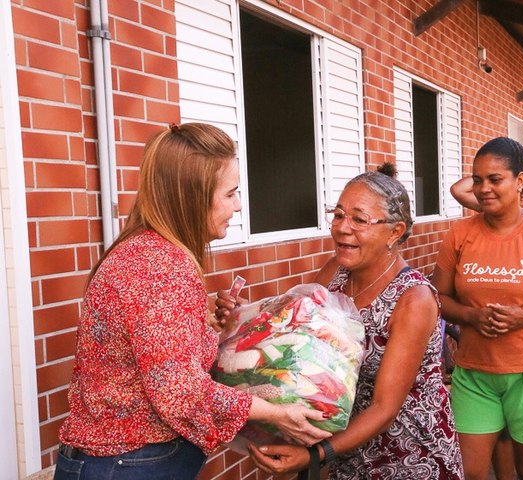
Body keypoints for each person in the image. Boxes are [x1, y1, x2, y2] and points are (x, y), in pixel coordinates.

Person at [54, 123, 330, 480]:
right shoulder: (161, 267)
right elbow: (180, 392)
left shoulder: (148, 251)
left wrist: (220, 329)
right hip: (127, 465)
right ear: (194, 196)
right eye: (230, 194)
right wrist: (275, 412)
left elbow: (160, 362)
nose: (238, 204)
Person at [219, 165, 464, 479]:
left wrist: (313, 456)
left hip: (407, 456)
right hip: (345, 452)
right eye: (338, 215)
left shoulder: (413, 299)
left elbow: (384, 407)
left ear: (395, 231)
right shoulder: (336, 271)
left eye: (359, 219)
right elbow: (293, 331)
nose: (342, 228)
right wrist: (244, 319)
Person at [432, 137, 523, 480]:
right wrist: (471, 316)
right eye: (477, 180)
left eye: (495, 179)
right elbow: (438, 298)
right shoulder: (460, 233)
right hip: (474, 373)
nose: (483, 189)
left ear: (521, 181)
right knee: (470, 472)